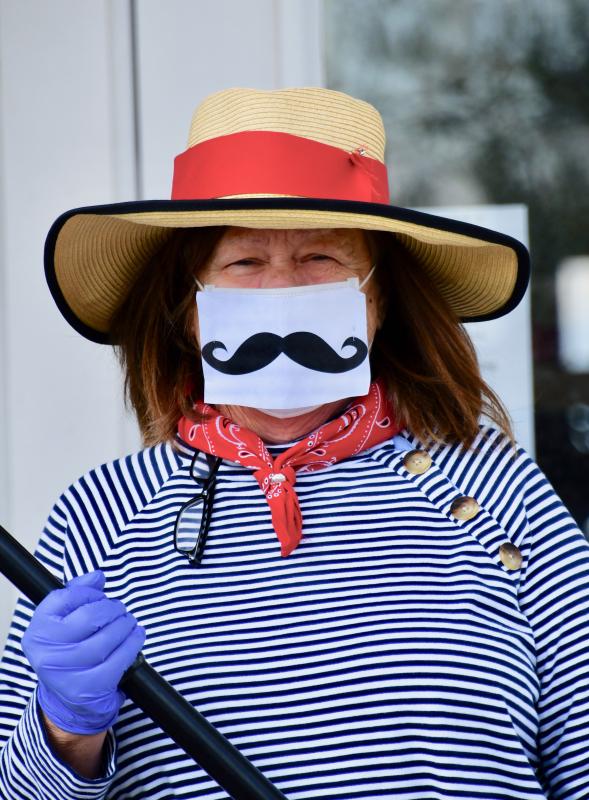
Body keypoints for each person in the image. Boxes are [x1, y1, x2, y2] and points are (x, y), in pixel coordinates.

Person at [0, 87, 587, 800]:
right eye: (244, 263)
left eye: (319, 257)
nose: (281, 288)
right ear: (187, 307)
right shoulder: (97, 515)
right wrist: (65, 731)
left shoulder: (499, 491)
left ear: (380, 300)